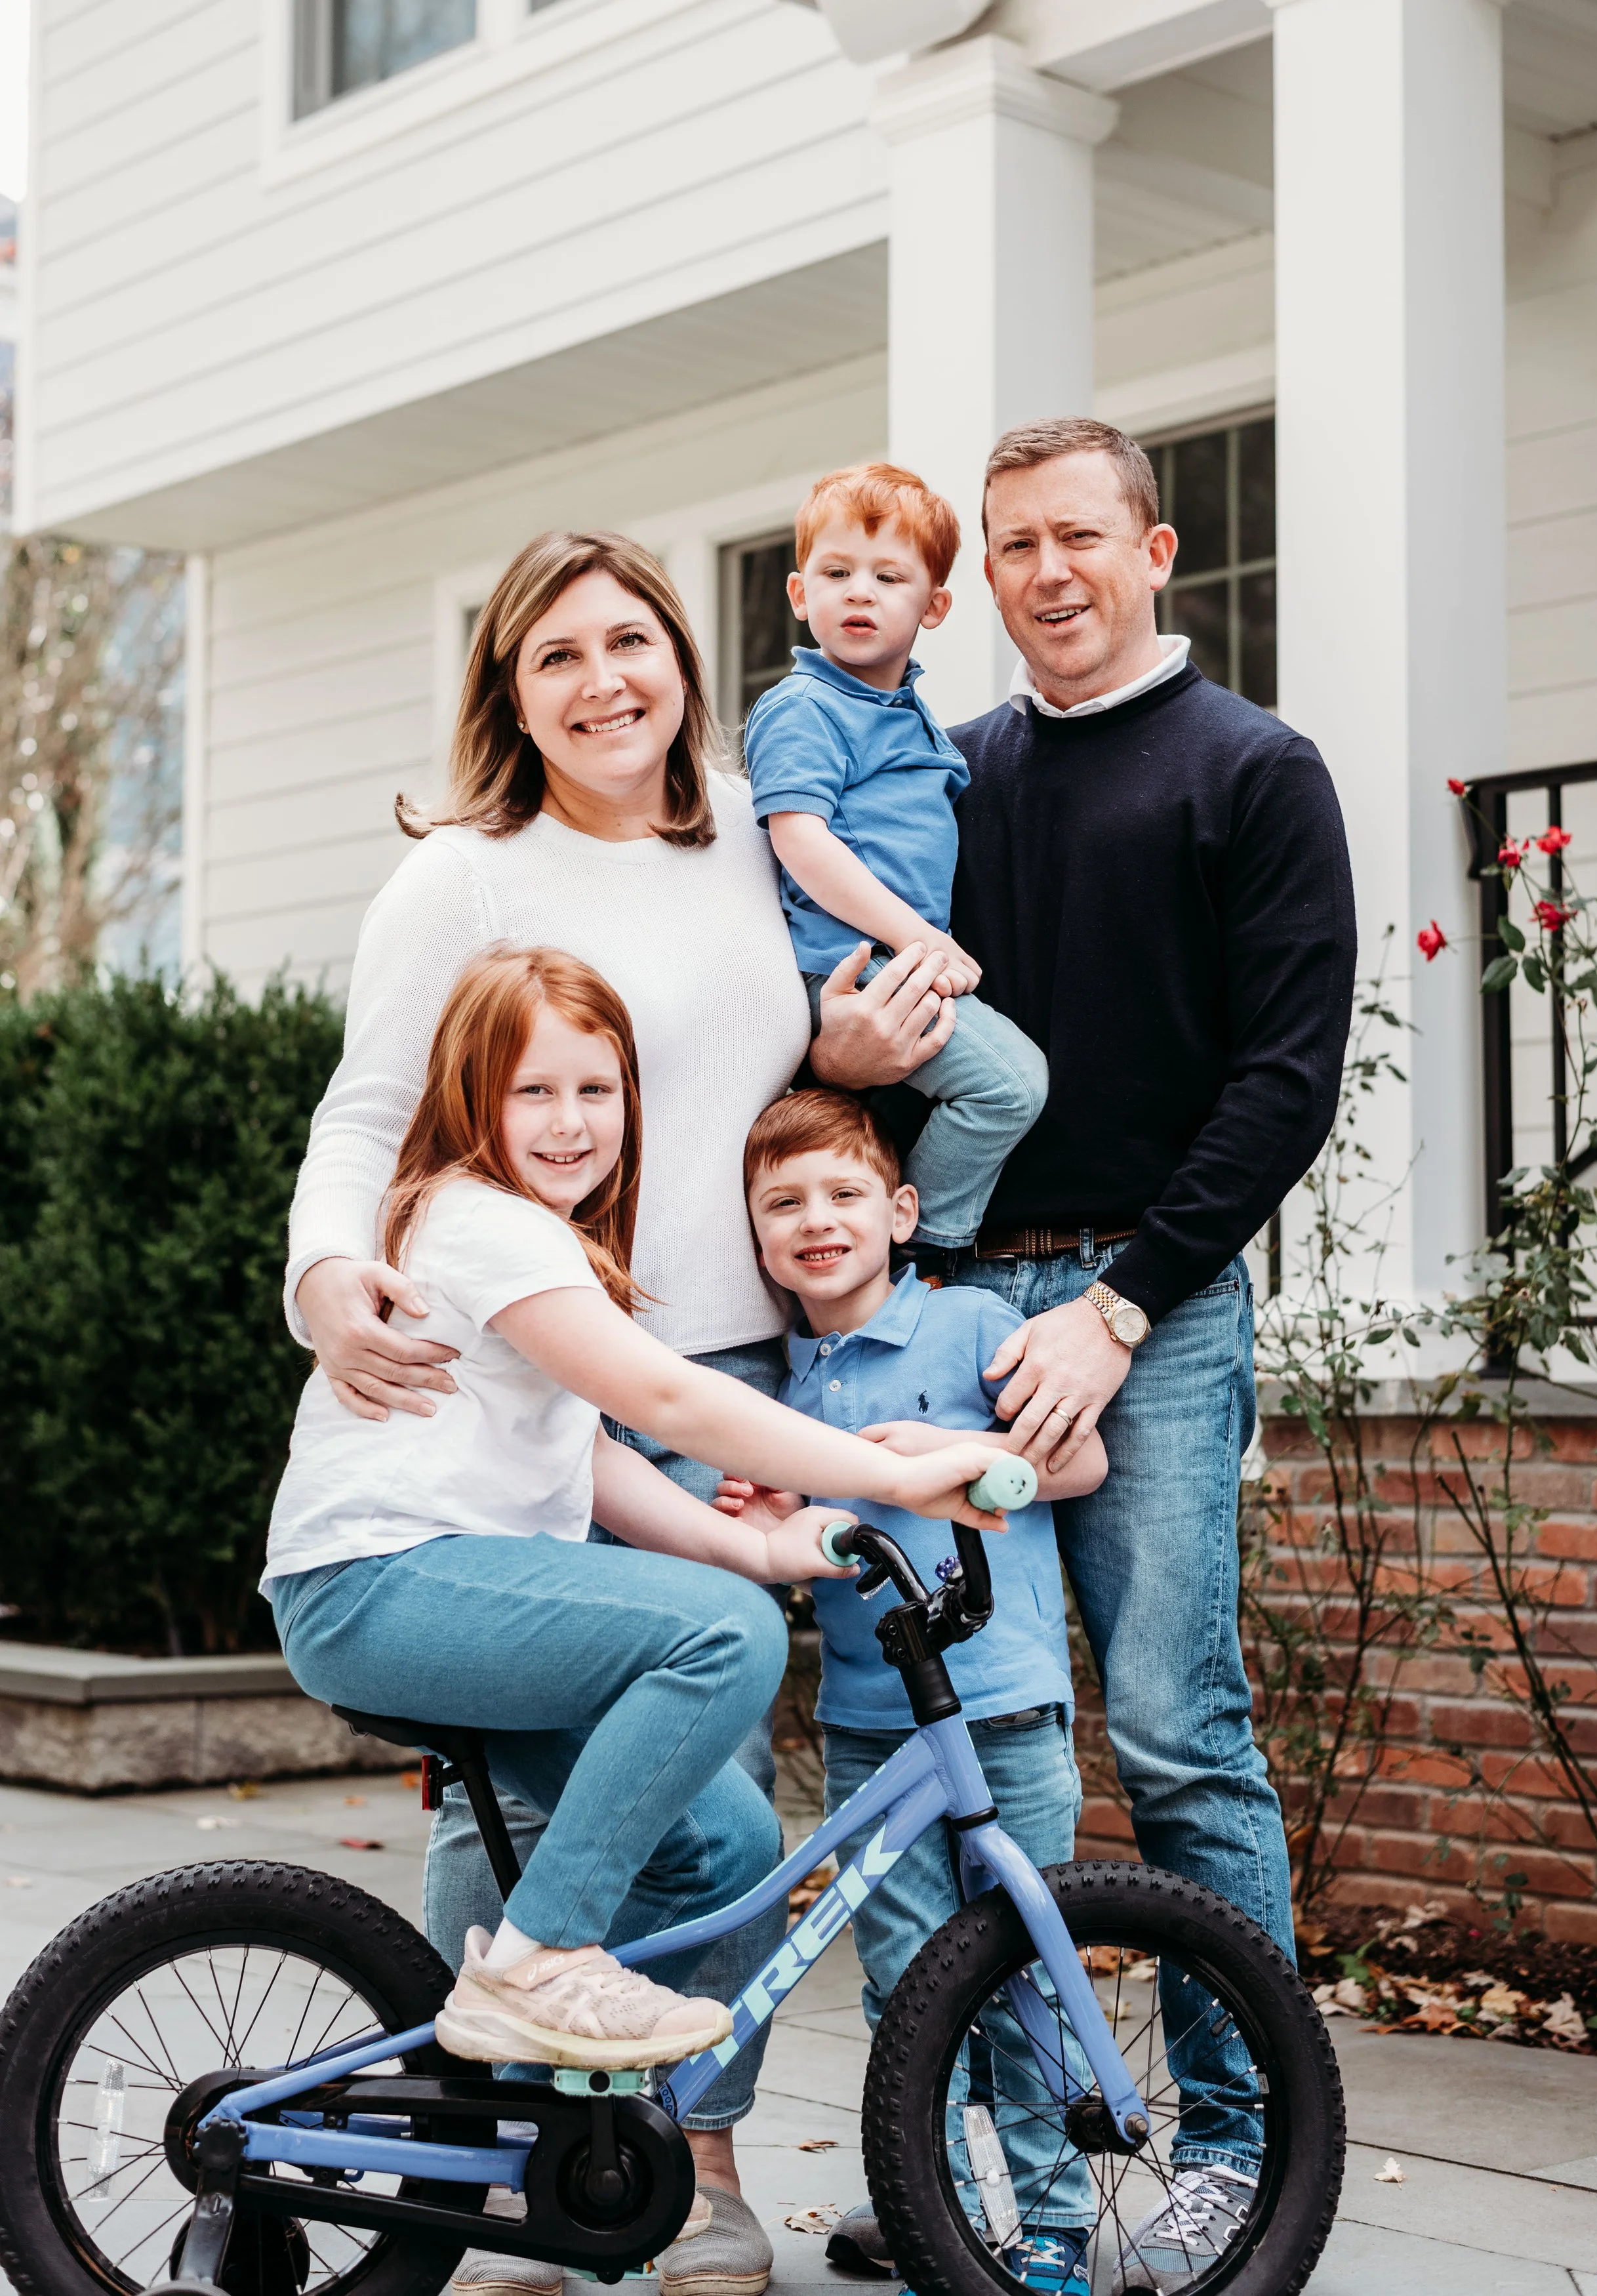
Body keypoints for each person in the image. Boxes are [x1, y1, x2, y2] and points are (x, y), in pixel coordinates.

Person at [279, 527, 967, 2296]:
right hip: (549, 1367)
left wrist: (860, 1058)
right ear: (510, 693)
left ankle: (686, 2175)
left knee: (714, 1807)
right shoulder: (463, 877)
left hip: (728, 1361)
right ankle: (502, 2160)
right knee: (508, 1798)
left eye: (630, 642)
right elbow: (374, 1119)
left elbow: (779, 1064)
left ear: (681, 652)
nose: (603, 683)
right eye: (556, 657)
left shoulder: (748, 827)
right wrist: (323, 1277)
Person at [807, 417, 1356, 2280]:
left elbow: (1283, 1083)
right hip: (951, 1303)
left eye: (1079, 537)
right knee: (948, 1740)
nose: (1048, 571)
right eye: (1017, 543)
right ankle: (981, 2173)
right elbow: (859, 1019)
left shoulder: (1252, 769)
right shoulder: (950, 773)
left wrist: (1122, 1310)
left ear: (1154, 548)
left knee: (1180, 1732)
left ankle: (1236, 2141)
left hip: (1148, 1303)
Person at [265, 945, 1003, 2069]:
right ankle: (537, 1964)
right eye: (534, 1091)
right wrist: (889, 1473)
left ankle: (562, 2134)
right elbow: (662, 1397)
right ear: (476, 1100)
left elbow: (593, 1461)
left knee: (724, 1842)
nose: (570, 1122)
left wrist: (747, 1546)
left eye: (595, 1090)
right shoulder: (480, 1221)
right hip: (374, 1583)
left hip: (431, 1585)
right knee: (722, 1635)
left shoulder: (540, 1240)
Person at [716, 1090, 1105, 2291]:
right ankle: (924, 2192)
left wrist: (930, 1457)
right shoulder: (772, 1390)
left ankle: (1050, 2218)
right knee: (902, 1982)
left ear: (900, 1211)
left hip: (1003, 1708)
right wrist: (764, 1506)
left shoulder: (975, 1320)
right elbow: (780, 1530)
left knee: (1021, 1970)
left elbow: (1080, 1458)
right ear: (756, 1235)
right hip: (870, 1730)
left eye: (842, 1195)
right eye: (783, 1203)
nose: (815, 1221)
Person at [744, 464, 1046, 1253]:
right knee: (1008, 1086)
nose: (858, 593)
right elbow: (799, 839)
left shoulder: (912, 719)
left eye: (888, 576)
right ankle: (922, 1248)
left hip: (894, 957)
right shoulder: (802, 706)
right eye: (836, 573)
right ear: (799, 593)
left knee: (875, 1138)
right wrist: (920, 939)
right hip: (852, 965)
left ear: (934, 605)